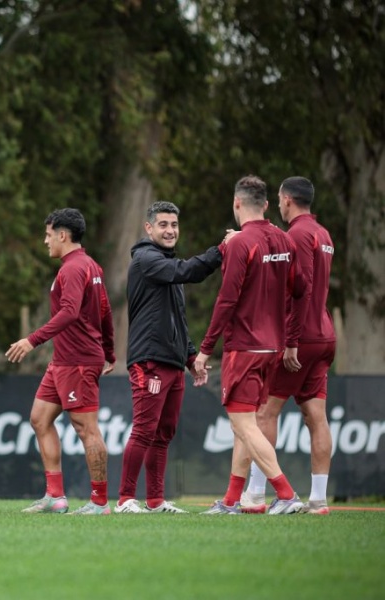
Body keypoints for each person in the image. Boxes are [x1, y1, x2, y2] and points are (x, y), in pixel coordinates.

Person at [194, 175, 306, 515]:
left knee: (242, 423)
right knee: (248, 423)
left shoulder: (242, 243)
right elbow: (299, 286)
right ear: (268, 205)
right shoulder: (284, 239)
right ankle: (232, 501)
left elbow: (226, 301)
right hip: (272, 347)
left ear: (236, 203)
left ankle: (286, 494)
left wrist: (204, 349)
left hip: (244, 346)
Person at [115, 201, 228, 514]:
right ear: (148, 228)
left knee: (163, 435)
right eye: (163, 224)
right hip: (149, 361)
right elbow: (189, 271)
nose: (170, 230)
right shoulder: (146, 259)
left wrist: (191, 357)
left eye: (174, 225)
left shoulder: (166, 263)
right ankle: (125, 499)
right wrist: (220, 250)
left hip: (173, 363)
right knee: (143, 430)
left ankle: (156, 501)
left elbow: (176, 319)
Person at [6, 208, 115, 515]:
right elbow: (105, 311)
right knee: (40, 419)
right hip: (64, 360)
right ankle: (55, 497)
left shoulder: (73, 269)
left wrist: (32, 340)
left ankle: (99, 502)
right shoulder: (90, 265)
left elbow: (69, 312)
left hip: (77, 362)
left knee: (87, 429)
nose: (46, 241)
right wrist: (109, 350)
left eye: (48, 234)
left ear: (63, 235)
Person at [241, 177, 336, 515]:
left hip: (302, 339)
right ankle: (319, 500)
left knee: (265, 411)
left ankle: (254, 495)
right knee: (316, 417)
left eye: (279, 201)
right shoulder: (323, 234)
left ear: (286, 200)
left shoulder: (296, 234)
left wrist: (291, 342)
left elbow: (302, 290)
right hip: (325, 335)